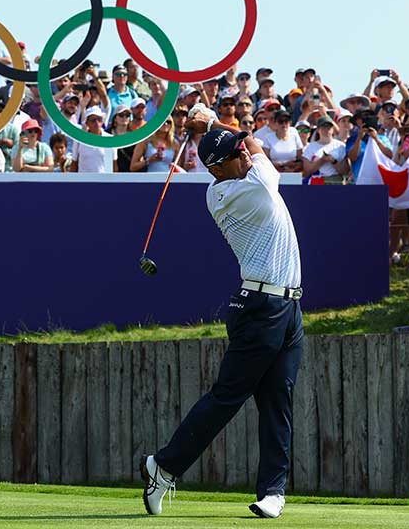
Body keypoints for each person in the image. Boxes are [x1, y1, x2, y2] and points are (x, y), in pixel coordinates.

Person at [141, 108, 302, 520]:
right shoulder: (252, 188)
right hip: (260, 308)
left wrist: (208, 128)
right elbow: (257, 145)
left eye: (240, 151)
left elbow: (241, 146)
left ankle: (272, 492)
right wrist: (212, 122)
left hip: (287, 307)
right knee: (228, 397)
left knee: (277, 400)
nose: (244, 154)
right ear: (219, 166)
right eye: (236, 153)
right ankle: (165, 465)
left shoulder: (220, 187)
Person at [302, 116, 348, 184]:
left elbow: (344, 171)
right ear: (318, 130)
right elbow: (307, 170)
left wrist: (333, 161)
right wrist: (322, 160)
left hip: (336, 180)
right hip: (317, 180)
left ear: (332, 129)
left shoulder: (341, 146)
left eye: (329, 127)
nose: (326, 130)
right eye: (323, 127)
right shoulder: (311, 147)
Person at [70, 106, 116, 173]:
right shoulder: (79, 140)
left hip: (103, 181)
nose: (97, 123)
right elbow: (74, 163)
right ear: (87, 123)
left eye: (99, 119)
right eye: (93, 120)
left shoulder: (109, 139)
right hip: (84, 181)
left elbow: (112, 166)